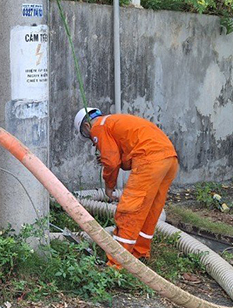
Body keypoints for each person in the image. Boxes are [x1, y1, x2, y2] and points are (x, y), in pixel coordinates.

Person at [73, 108, 178, 266]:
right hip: (169, 159)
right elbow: (126, 153)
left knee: (129, 210)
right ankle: (139, 252)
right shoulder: (114, 122)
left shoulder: (98, 127)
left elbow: (111, 161)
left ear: (87, 126)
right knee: (150, 209)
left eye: (89, 137)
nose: (93, 141)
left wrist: (109, 186)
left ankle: (116, 264)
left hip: (150, 159)